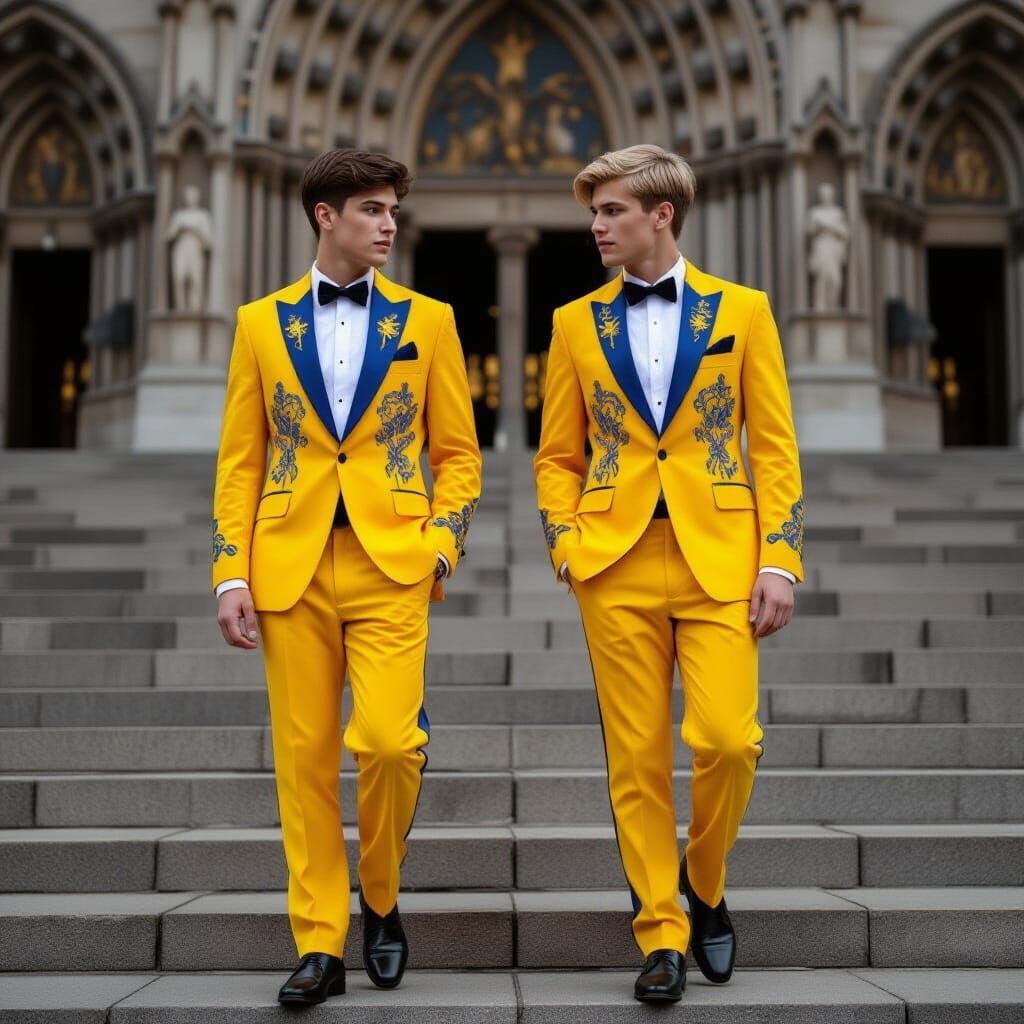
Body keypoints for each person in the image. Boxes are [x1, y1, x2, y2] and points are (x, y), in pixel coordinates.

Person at [211, 149, 482, 1005]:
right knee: (305, 762)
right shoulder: (260, 324)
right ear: (325, 216)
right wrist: (230, 572)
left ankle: (380, 892)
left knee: (392, 745)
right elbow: (239, 465)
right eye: (371, 208)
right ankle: (320, 943)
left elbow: (460, 457)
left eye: (393, 209)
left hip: (392, 560)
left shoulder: (429, 321)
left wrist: (443, 541)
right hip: (287, 564)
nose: (389, 223)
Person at [534, 144, 803, 1003]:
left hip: (719, 556)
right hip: (612, 560)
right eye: (593, 213)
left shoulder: (746, 311)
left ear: (662, 214)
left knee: (729, 741)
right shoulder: (575, 322)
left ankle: (706, 880)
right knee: (636, 761)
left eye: (610, 211)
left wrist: (780, 559)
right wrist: (566, 543)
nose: (596, 227)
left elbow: (775, 449)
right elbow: (556, 457)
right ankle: (660, 930)